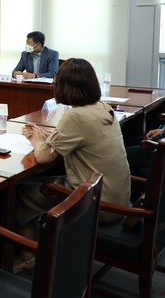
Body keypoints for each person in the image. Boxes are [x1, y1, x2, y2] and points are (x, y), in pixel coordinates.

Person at [17, 58, 131, 245]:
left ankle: (27, 252)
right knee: (41, 181)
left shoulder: (76, 115)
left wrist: (37, 140)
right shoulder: (103, 107)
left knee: (23, 191)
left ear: (63, 86)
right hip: (118, 199)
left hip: (97, 204)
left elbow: (44, 157)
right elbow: (79, 136)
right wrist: (47, 135)